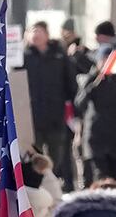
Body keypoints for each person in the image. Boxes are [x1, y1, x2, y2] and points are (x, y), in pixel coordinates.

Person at [74, 22, 116, 185]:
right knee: (100, 174)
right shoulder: (92, 78)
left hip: (115, 132)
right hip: (96, 133)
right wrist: (94, 85)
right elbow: (80, 103)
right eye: (104, 60)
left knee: (114, 174)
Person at [21, 21, 78, 191]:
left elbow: (71, 84)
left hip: (55, 116)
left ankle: (56, 186)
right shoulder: (24, 57)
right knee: (33, 155)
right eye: (32, 31)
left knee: (57, 156)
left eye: (38, 31)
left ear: (46, 34)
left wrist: (74, 110)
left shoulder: (59, 56)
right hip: (32, 118)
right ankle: (35, 186)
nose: (35, 35)